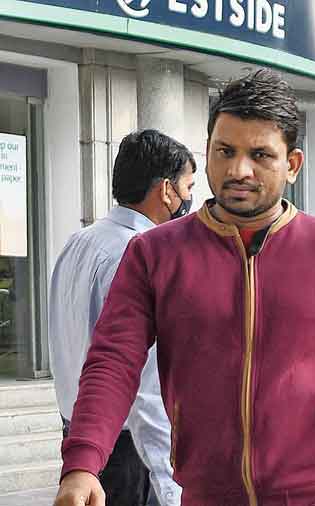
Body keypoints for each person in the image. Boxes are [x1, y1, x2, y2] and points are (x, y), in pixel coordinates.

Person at [53, 69, 315, 506]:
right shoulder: (154, 254)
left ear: (292, 164)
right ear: (208, 153)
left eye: (260, 155)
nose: (239, 169)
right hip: (205, 493)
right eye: (226, 151)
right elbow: (113, 361)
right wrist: (83, 463)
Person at [48, 129, 195, 506]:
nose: (191, 200)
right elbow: (146, 390)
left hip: (82, 437)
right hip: (130, 450)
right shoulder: (139, 257)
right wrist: (171, 489)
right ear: (166, 190)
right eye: (188, 186)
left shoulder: (78, 242)